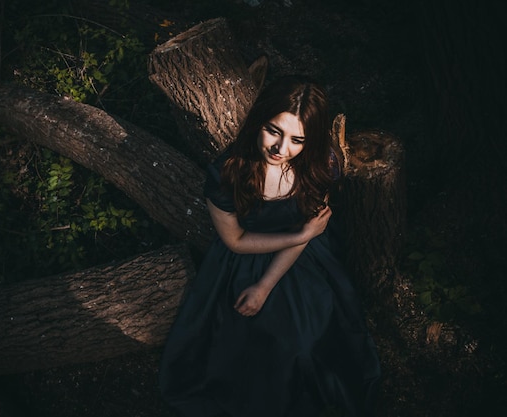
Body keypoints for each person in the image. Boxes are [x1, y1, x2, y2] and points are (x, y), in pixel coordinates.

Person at [159, 76, 381, 417]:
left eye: (297, 139)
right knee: (259, 352)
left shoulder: (322, 164)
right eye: (273, 131)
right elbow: (235, 240)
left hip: (303, 257)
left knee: (308, 342)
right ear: (258, 121)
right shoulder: (227, 173)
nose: (281, 149)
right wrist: (295, 240)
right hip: (247, 257)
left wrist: (268, 283)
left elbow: (309, 231)